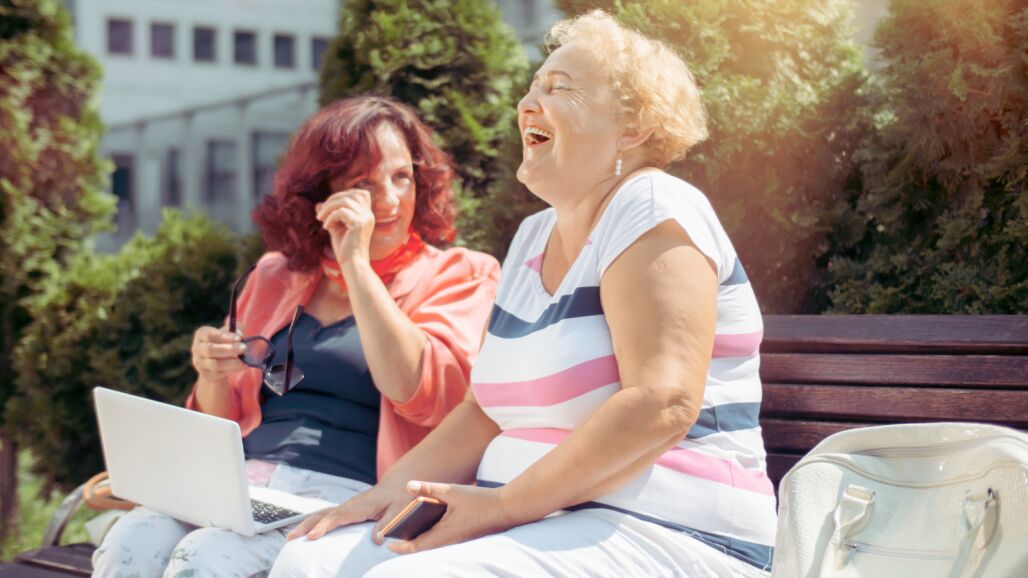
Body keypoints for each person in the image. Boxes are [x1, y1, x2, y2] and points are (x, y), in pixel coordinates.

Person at [269, 10, 777, 578]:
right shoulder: (534, 235)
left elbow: (663, 403)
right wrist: (388, 492)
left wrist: (504, 506)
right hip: (540, 524)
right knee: (307, 562)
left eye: (559, 88)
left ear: (632, 128)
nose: (527, 104)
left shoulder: (653, 205)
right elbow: (483, 412)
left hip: (671, 533)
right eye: (533, 87)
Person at [91, 96, 500, 578]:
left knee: (205, 556)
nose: (389, 200)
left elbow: (421, 392)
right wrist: (211, 373)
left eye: (401, 177)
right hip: (244, 483)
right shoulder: (274, 275)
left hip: (352, 495)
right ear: (321, 196)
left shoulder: (461, 273)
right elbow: (222, 421)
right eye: (364, 184)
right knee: (132, 541)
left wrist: (356, 263)